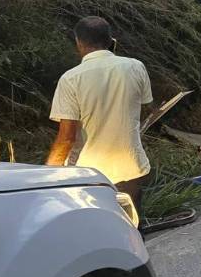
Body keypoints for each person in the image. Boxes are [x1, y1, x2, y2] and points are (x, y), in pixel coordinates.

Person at [47, 16, 154, 214]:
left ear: (79, 43)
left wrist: (49, 176)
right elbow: (143, 107)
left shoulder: (71, 79)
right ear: (111, 40)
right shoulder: (135, 67)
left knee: (98, 228)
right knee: (131, 227)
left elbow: (66, 138)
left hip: (90, 176)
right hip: (131, 167)